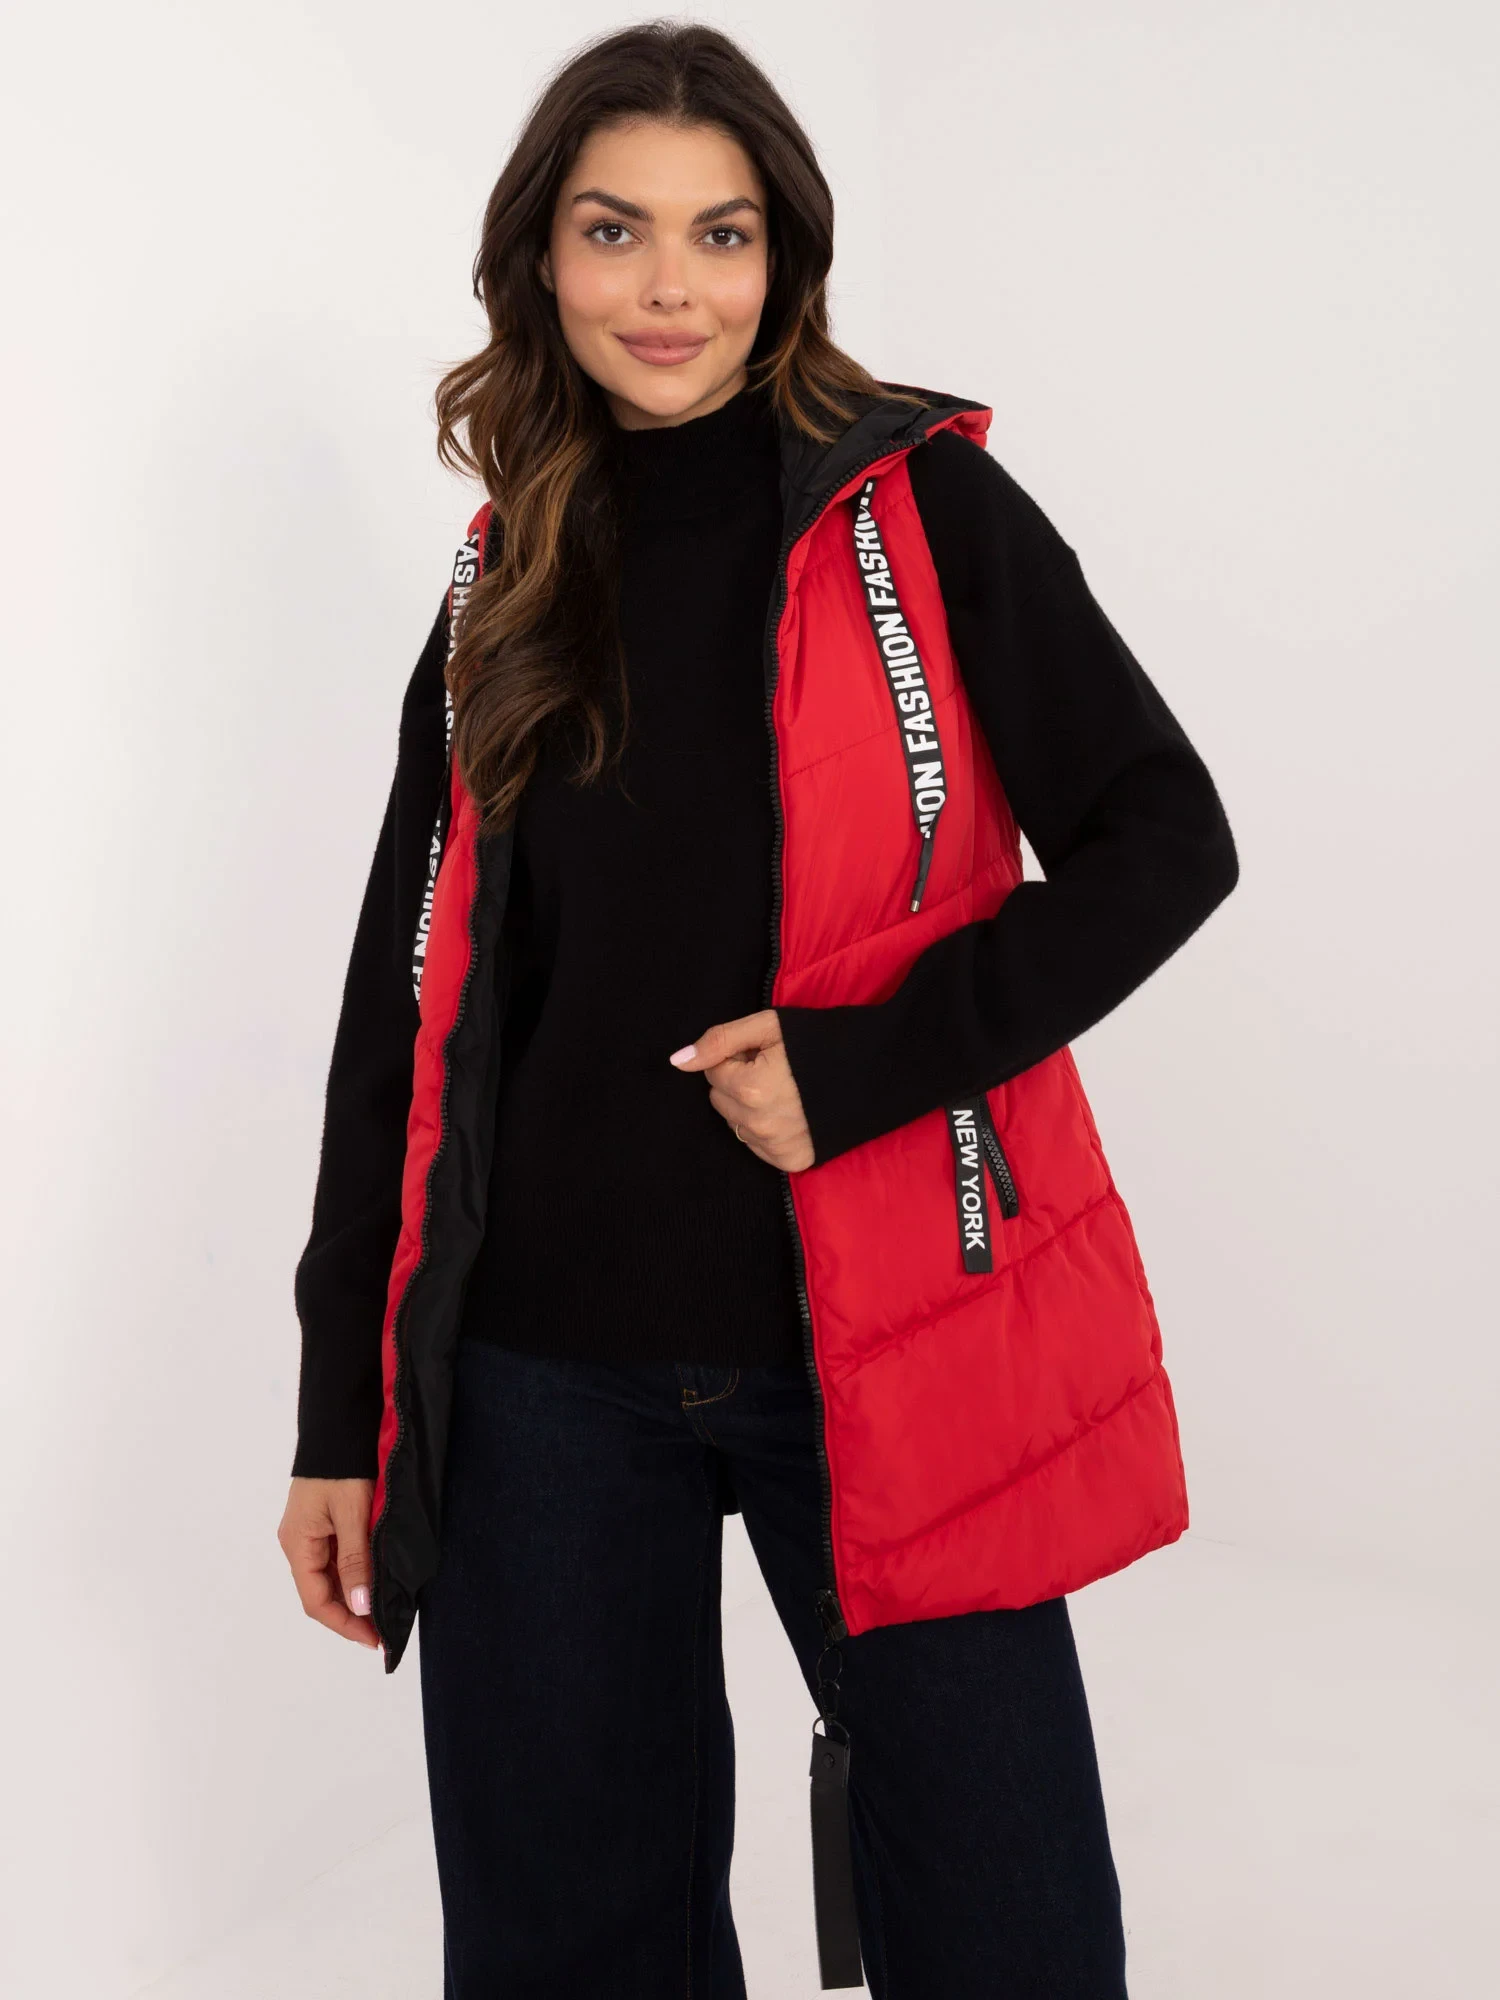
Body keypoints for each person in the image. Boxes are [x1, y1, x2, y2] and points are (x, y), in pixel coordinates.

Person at [277, 21, 1239, 1998]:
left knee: (1006, 1923)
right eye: (613, 229)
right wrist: (339, 1412)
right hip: (537, 1375)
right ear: (540, 256)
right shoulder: (506, 572)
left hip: (878, 1329)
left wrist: (869, 1065)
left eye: (721, 234)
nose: (669, 288)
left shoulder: (928, 516)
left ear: (785, 256)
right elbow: (406, 999)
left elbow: (1167, 838)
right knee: (570, 1949)